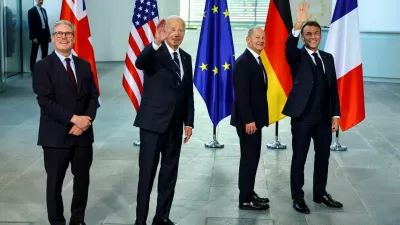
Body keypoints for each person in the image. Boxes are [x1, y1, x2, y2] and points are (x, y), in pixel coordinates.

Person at [32, 20, 99, 225]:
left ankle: (78, 220)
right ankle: (57, 222)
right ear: (52, 38)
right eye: (59, 34)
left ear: (73, 37)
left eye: (67, 34)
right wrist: (73, 119)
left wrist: (85, 121)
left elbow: (93, 96)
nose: (63, 37)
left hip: (83, 135)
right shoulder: (42, 66)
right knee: (54, 184)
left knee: (82, 182)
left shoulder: (84, 65)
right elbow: (45, 101)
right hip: (55, 136)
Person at [282, 2, 343, 214]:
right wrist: (297, 25)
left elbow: (333, 88)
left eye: (316, 33)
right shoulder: (297, 57)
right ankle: (297, 197)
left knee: (323, 157)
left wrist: (335, 115)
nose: (313, 37)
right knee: (299, 157)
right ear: (304, 37)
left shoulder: (328, 58)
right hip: (302, 116)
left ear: (320, 35)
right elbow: (289, 47)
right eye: (308, 34)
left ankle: (320, 193)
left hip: (324, 118)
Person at [133, 15, 194, 225]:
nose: (177, 33)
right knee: (147, 173)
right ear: (164, 30)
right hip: (152, 124)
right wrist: (156, 42)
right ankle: (140, 220)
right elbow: (139, 62)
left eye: (181, 30)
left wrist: (189, 122)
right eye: (173, 29)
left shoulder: (186, 57)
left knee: (169, 173)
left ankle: (162, 217)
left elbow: (187, 94)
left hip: (175, 126)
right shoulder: (155, 55)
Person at [230, 27, 270, 211]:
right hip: (248, 122)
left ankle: (249, 191)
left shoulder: (256, 60)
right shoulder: (244, 62)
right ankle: (245, 199)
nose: (260, 40)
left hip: (255, 120)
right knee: (249, 159)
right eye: (257, 38)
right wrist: (249, 120)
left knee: (252, 158)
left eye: (263, 38)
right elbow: (242, 95)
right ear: (248, 40)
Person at [28, 0, 51, 72]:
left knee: (45, 53)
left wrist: (49, 35)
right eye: (39, 0)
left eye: (42, 0)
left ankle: (44, 69)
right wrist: (33, 37)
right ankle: (32, 69)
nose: (41, 1)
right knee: (34, 53)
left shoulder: (44, 10)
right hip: (36, 35)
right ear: (35, 0)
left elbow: (46, 24)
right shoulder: (31, 11)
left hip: (45, 34)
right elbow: (30, 25)